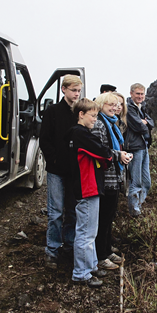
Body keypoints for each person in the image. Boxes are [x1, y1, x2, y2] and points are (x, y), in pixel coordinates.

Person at [66, 98, 112, 288]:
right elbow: (103, 152)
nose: (95, 119)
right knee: (85, 232)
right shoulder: (80, 134)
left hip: (89, 187)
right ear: (81, 114)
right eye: (92, 116)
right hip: (87, 187)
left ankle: (91, 265)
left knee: (90, 231)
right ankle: (81, 273)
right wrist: (107, 156)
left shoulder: (78, 133)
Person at [39, 74, 83, 269]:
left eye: (79, 91)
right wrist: (54, 159)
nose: (76, 94)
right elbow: (44, 139)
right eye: (74, 90)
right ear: (63, 89)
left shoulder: (80, 113)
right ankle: (52, 250)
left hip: (75, 170)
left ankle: (70, 246)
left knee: (73, 211)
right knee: (55, 212)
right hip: (57, 170)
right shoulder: (53, 111)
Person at [92, 93, 132, 270]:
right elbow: (100, 151)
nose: (114, 108)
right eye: (110, 105)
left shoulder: (112, 123)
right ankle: (101, 256)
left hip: (113, 177)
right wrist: (119, 155)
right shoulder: (99, 125)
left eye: (116, 105)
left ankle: (107, 250)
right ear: (101, 105)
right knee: (103, 218)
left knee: (109, 216)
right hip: (104, 178)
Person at [124, 83, 154, 217]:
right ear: (131, 94)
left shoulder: (142, 107)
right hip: (134, 147)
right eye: (137, 94)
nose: (140, 96)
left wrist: (146, 122)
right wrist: (145, 123)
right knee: (136, 182)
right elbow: (139, 127)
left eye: (142, 94)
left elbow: (152, 122)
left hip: (143, 146)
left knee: (146, 182)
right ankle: (134, 212)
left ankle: (138, 207)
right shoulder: (129, 108)